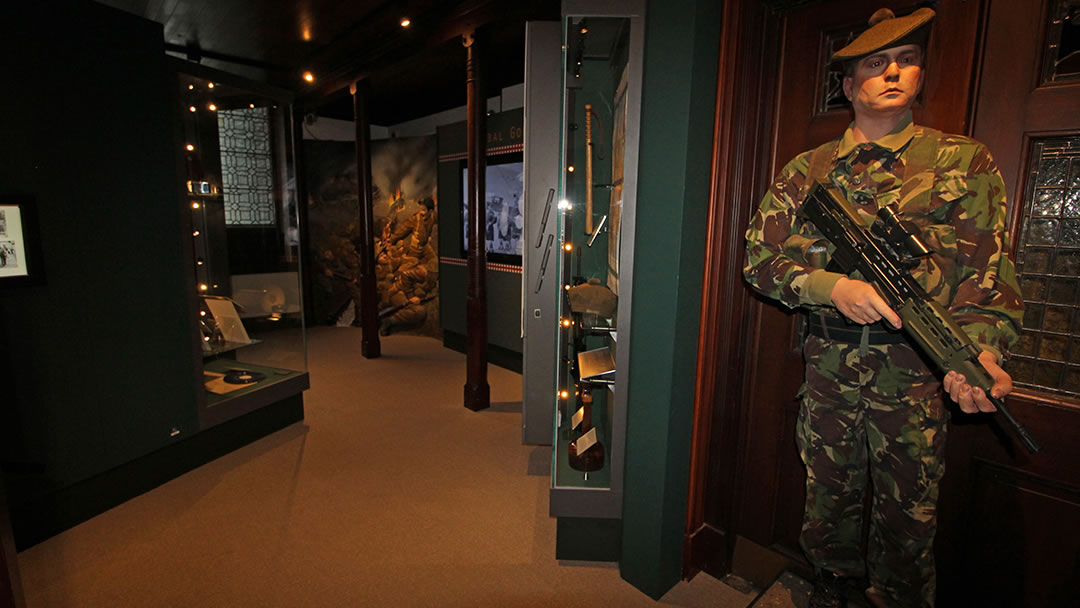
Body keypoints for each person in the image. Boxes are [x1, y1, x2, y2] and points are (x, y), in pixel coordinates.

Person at [743, 7, 1024, 608]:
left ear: (921, 74)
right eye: (875, 64)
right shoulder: (807, 172)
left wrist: (982, 352)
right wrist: (829, 287)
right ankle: (832, 591)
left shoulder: (963, 163)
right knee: (827, 508)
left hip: (920, 377)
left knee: (909, 522)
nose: (892, 72)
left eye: (906, 59)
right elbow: (758, 261)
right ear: (849, 86)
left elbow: (989, 278)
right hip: (827, 376)